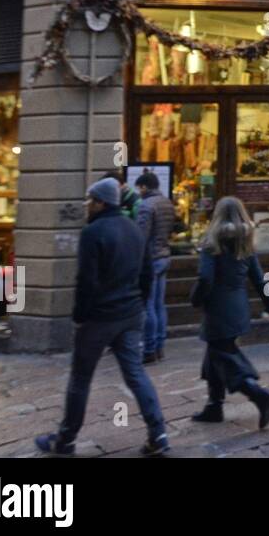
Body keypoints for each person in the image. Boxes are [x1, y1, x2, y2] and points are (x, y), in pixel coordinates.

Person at [35, 178, 169, 457]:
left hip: (99, 317)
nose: (86, 205)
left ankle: (66, 440)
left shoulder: (93, 232)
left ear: (101, 202)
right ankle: (159, 434)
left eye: (90, 200)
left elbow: (87, 280)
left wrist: (80, 315)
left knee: (81, 379)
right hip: (130, 314)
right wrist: (139, 304)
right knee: (135, 374)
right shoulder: (133, 229)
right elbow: (146, 274)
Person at [190, 197, 269, 428]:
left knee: (226, 359)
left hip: (219, 309)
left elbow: (205, 278)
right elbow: (260, 279)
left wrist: (196, 298)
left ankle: (259, 394)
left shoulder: (212, 243)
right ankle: (214, 406)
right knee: (214, 355)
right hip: (238, 308)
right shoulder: (245, 242)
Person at [134, 172, 174, 364]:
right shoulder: (167, 202)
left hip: (150, 260)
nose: (138, 192)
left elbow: (141, 236)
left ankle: (149, 348)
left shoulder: (146, 206)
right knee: (159, 305)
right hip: (164, 256)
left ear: (144, 187)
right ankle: (159, 346)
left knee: (148, 305)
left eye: (139, 188)